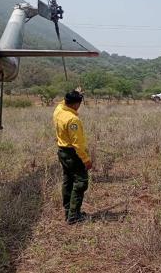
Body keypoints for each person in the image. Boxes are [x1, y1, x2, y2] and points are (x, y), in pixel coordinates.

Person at [53, 90, 93, 224]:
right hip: (72, 154)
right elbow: (78, 144)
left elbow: (62, 102)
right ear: (76, 104)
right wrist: (86, 160)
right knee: (81, 182)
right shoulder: (72, 119)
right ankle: (74, 216)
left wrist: (76, 92)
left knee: (68, 180)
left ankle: (68, 211)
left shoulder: (59, 110)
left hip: (62, 151)